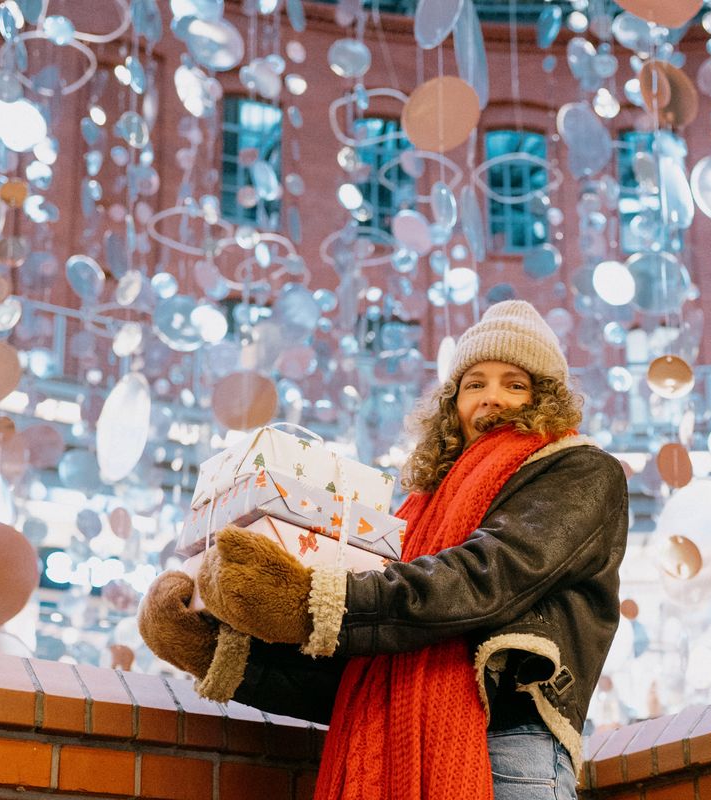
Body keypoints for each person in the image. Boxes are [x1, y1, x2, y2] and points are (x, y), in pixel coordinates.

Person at [138, 300, 629, 800]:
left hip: (512, 752)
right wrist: (222, 649)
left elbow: (484, 579)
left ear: (546, 398)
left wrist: (316, 602)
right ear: (452, 403)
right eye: (474, 383)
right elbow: (364, 676)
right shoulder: (418, 511)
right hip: (401, 745)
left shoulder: (581, 471)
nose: (492, 398)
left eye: (515, 383)